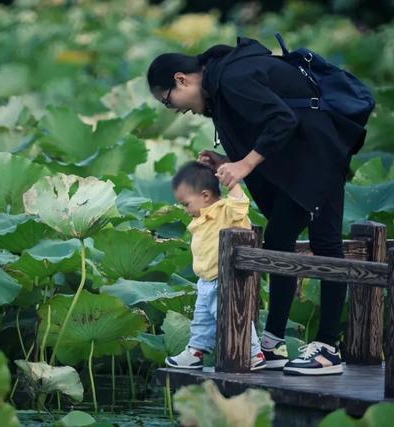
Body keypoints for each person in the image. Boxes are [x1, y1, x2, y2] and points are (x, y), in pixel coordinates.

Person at [148, 36, 369, 376]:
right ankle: (273, 344)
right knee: (279, 240)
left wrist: (244, 165)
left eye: (169, 101)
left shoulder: (233, 76)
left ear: (182, 79)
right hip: (300, 156)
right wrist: (228, 159)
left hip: (320, 152)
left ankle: (328, 348)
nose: (176, 109)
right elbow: (263, 124)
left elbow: (283, 120)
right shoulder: (221, 84)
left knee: (327, 244)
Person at [165, 161, 266, 371]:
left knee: (235, 319)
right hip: (206, 281)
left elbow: (240, 203)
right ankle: (196, 352)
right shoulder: (201, 216)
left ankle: (253, 352)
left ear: (205, 196)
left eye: (186, 204)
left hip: (227, 280)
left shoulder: (225, 210)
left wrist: (232, 182)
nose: (185, 210)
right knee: (201, 323)